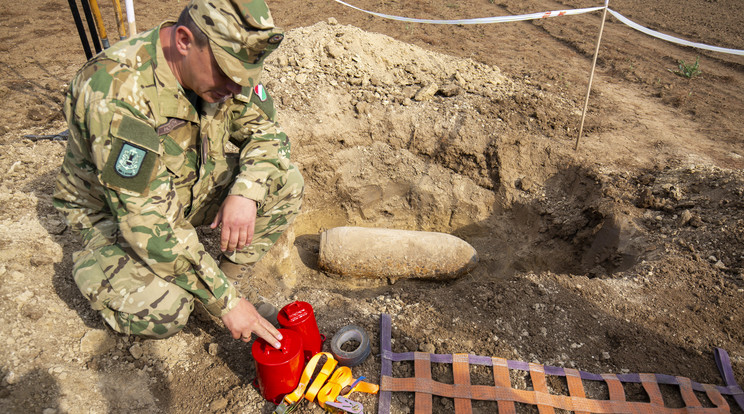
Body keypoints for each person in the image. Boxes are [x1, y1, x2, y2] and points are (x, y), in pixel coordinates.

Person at [53, 0, 303, 349]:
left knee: (283, 182)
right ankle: (195, 292)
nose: (236, 88)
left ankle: (223, 282)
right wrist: (225, 302)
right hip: (112, 217)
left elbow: (268, 135)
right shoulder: (116, 89)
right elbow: (146, 220)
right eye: (228, 74)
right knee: (166, 309)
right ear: (184, 40)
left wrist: (245, 191)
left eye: (244, 78)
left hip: (184, 188)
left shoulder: (221, 73)